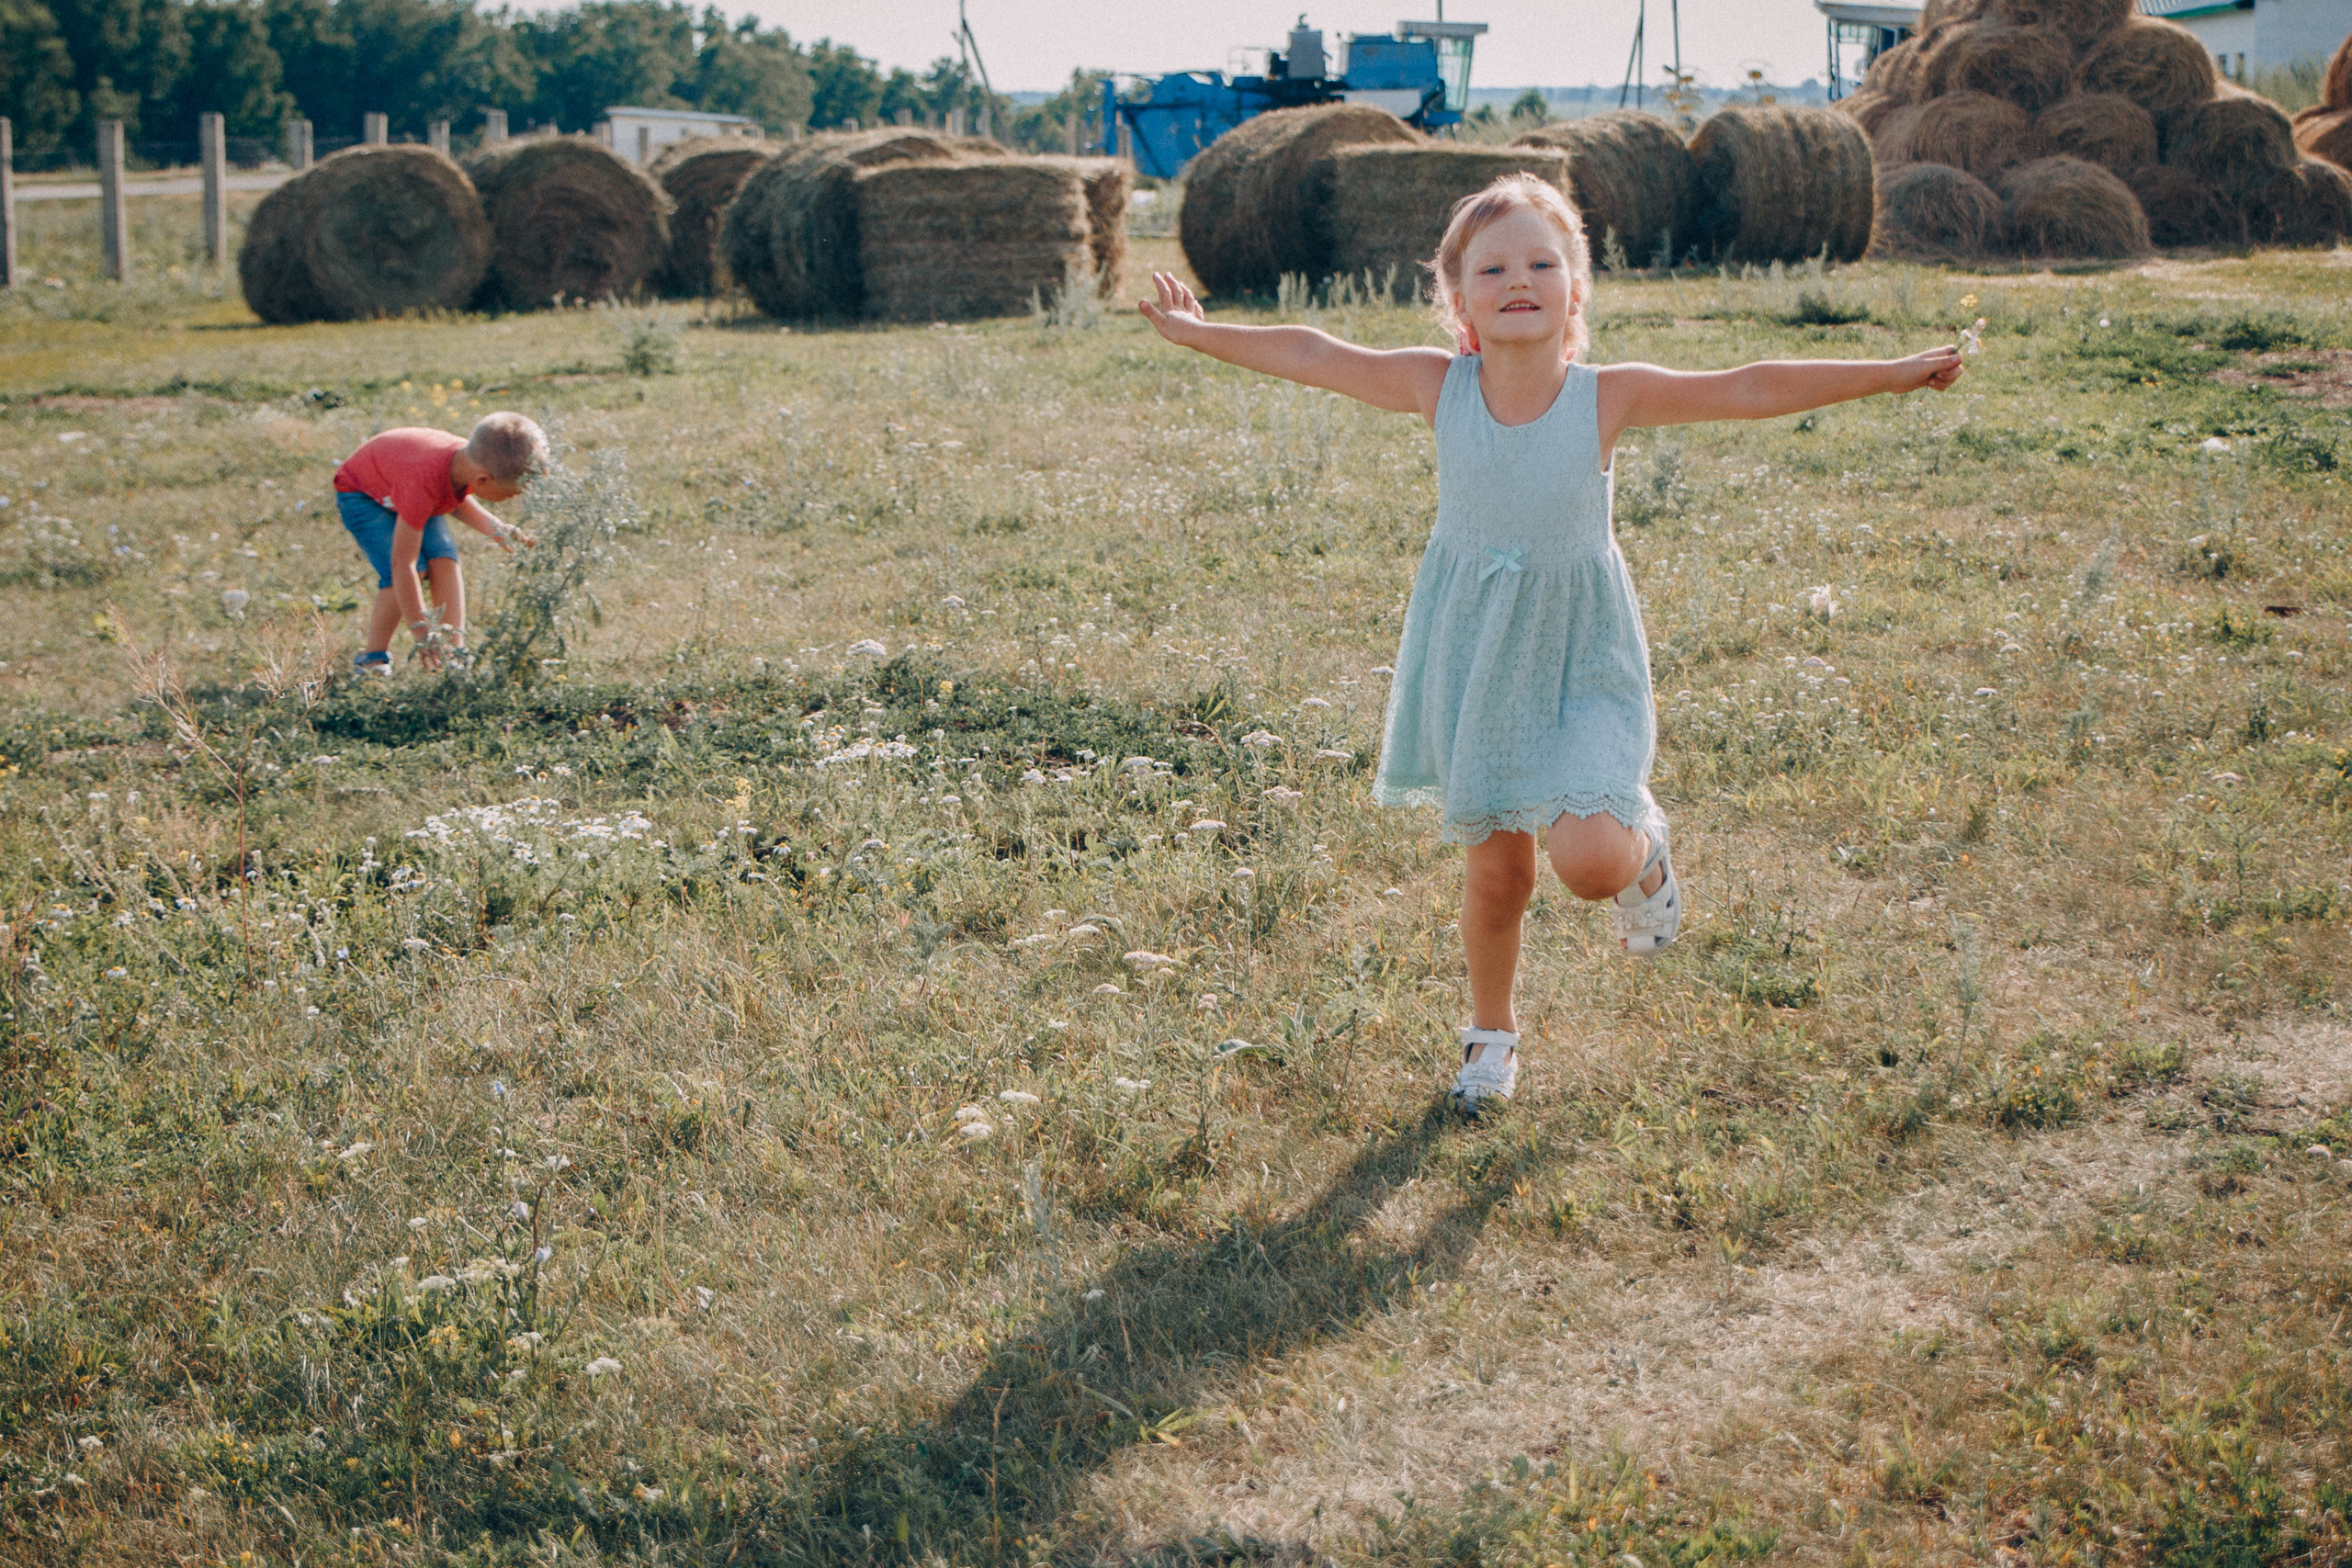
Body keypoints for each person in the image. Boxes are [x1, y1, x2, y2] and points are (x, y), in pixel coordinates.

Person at [1139, 174, 1963, 1111]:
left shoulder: (1605, 398)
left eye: (1542, 261)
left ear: (1575, 289)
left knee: (1586, 862)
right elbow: (1313, 350)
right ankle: (1490, 1040)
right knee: (1497, 873)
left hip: (1580, 659)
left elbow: (1749, 386)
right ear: (1458, 301)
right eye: (1492, 267)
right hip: (1476, 654)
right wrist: (1200, 333)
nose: (1518, 279)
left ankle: (1643, 851)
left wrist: (1889, 373)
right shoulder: (1434, 386)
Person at [334, 412, 546, 673]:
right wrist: (423, 634)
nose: (513, 499)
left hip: (405, 485)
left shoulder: (468, 460)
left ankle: (453, 653)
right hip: (362, 494)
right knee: (412, 570)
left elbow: (451, 497)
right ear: (483, 480)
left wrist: (497, 528)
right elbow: (403, 564)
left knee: (443, 557)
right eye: (512, 493)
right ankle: (372, 659)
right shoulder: (423, 484)